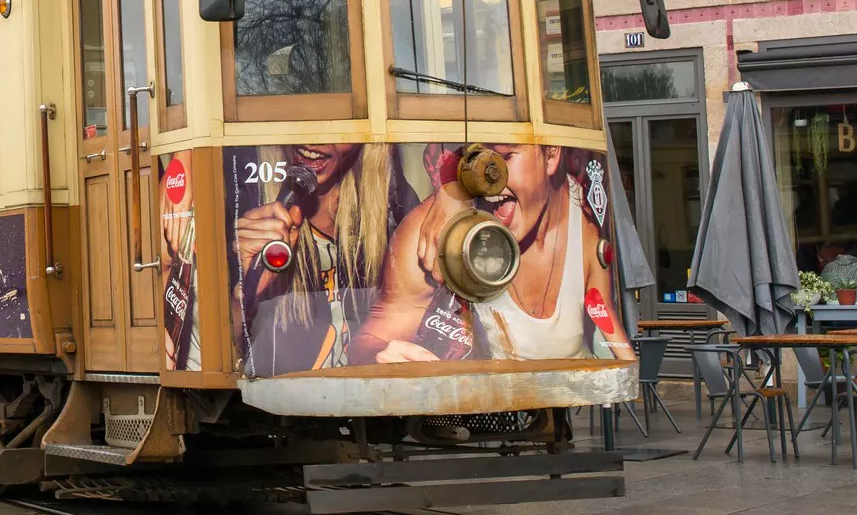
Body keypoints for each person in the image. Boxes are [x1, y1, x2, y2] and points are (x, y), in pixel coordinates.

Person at [351, 145, 634, 365]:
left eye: (505, 157)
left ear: (551, 155)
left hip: (556, 421)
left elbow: (601, 309)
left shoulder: (584, 220)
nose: (489, 180)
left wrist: (626, 373)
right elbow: (373, 339)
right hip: (467, 422)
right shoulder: (435, 231)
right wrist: (382, 356)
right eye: (475, 160)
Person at [228, 144, 394, 376]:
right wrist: (244, 293)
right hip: (275, 408)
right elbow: (215, 360)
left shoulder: (391, 207)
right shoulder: (240, 198)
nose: (315, 140)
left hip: (368, 403)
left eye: (336, 119)